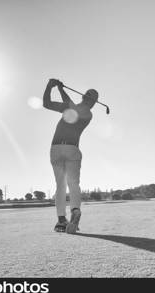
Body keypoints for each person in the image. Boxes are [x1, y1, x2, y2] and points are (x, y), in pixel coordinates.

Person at [43, 78, 97, 233]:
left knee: (61, 185)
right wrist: (49, 87)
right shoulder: (78, 108)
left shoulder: (87, 113)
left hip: (58, 148)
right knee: (71, 184)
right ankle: (73, 212)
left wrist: (59, 88)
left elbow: (72, 107)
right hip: (67, 149)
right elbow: (46, 103)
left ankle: (62, 220)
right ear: (91, 101)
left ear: (84, 97)